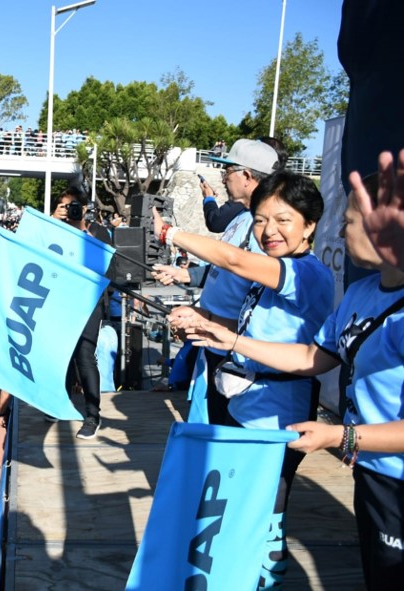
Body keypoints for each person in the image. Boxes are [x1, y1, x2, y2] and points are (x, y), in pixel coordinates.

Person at [187, 167, 404, 589]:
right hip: (372, 472)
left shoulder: (311, 274)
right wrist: (228, 339)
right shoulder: (362, 293)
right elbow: (313, 356)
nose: (340, 233)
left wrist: (340, 437)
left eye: (349, 221)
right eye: (260, 220)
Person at [158, 170, 334, 587]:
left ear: (310, 225)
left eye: (282, 219)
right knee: (240, 512)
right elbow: (242, 327)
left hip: (277, 413)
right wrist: (199, 321)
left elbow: (233, 258)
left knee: (267, 521)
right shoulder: (276, 268)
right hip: (243, 403)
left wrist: (171, 234)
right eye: (260, 220)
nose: (268, 230)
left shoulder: (305, 272)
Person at [152, 139, 280, 425]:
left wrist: (168, 234)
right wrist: (184, 275)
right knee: (213, 421)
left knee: (228, 427)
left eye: (229, 170)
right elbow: (220, 268)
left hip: (237, 351)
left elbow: (239, 266)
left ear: (247, 177)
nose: (224, 177)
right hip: (215, 340)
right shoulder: (240, 217)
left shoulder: (265, 228)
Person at [51, 185, 114, 439]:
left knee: (84, 356)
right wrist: (53, 221)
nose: (71, 211)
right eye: (65, 207)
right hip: (62, 301)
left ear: (85, 209)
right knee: (61, 354)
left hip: (89, 302)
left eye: (74, 206)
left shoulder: (98, 232)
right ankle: (60, 403)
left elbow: (107, 269)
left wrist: (82, 230)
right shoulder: (55, 230)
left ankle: (92, 415)